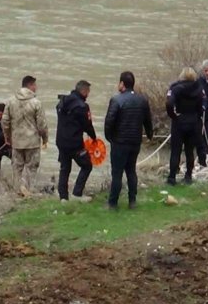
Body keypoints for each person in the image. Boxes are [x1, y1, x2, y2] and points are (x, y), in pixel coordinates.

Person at [104, 71, 153, 210]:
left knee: (117, 173)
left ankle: (113, 203)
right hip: (135, 142)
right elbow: (148, 121)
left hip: (120, 142)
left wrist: (109, 137)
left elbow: (109, 122)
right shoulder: (142, 100)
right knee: (131, 171)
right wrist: (150, 135)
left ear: (122, 84)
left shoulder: (116, 100)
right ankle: (132, 201)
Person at [2, 75, 49, 196]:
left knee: (17, 167)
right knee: (31, 167)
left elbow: (5, 122)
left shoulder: (11, 101)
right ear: (30, 85)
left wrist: (7, 137)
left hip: (16, 141)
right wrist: (45, 139)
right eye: (35, 85)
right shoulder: (36, 103)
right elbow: (41, 124)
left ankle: (17, 191)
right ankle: (27, 189)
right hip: (32, 141)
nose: (36, 88)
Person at [55, 80, 97, 203]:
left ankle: (63, 197)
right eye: (88, 91)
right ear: (83, 91)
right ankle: (77, 193)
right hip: (74, 143)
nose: (88, 94)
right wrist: (93, 137)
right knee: (87, 165)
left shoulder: (62, 102)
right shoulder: (82, 106)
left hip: (61, 141)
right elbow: (87, 125)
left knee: (65, 168)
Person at [166, 67, 206, 186]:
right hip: (193, 121)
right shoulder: (199, 88)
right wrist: (197, 115)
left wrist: (172, 115)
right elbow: (203, 104)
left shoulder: (176, 88)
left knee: (175, 151)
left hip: (179, 120)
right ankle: (188, 175)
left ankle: (172, 177)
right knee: (189, 150)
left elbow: (169, 103)